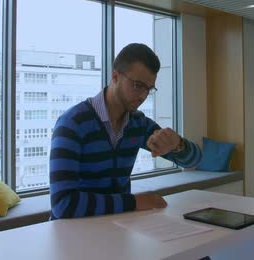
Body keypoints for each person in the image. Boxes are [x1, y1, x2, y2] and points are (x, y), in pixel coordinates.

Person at [49, 43, 202, 219]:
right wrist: (134, 202)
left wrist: (178, 144)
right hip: (70, 235)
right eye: (137, 85)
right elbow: (63, 204)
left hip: (118, 229)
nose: (143, 96)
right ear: (115, 77)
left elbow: (194, 160)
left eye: (149, 89)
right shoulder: (73, 124)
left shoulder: (138, 124)